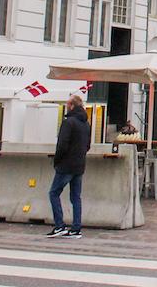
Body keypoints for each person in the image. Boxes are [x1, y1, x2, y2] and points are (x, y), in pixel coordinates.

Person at [48, 95, 90, 239]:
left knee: (54, 193)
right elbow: (87, 145)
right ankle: (76, 228)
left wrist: (57, 161)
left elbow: (62, 145)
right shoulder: (86, 123)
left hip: (66, 165)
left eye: (67, 104)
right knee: (76, 197)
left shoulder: (68, 122)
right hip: (79, 165)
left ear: (72, 105)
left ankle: (59, 225)